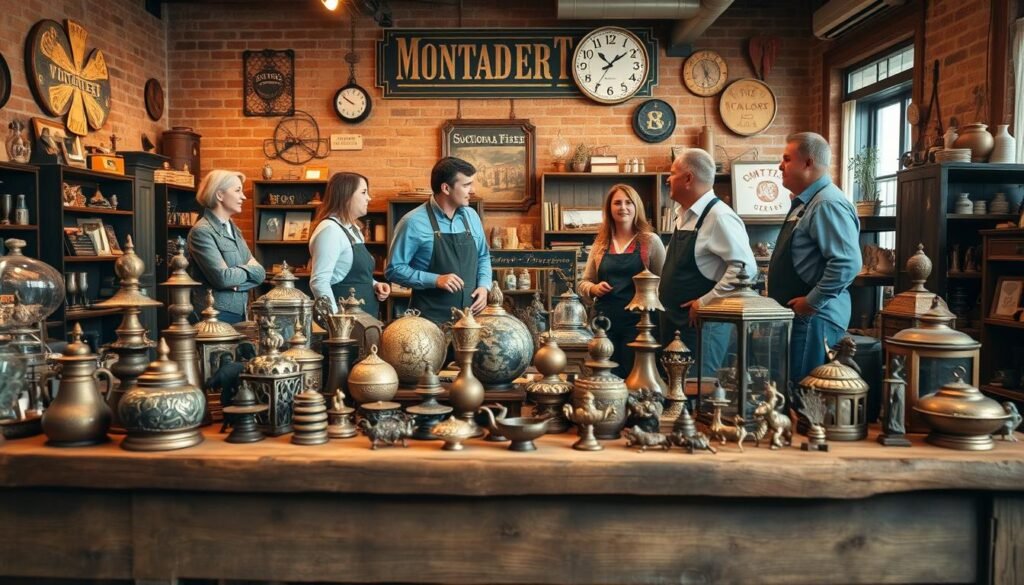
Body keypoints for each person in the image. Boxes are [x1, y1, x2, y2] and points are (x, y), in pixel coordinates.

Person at [769, 132, 860, 385]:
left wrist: (811, 302)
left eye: (787, 159)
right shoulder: (806, 203)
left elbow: (847, 263)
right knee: (792, 390)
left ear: (808, 163)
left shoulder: (826, 204)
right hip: (802, 317)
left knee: (806, 393)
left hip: (814, 318)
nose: (780, 166)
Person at [659, 148, 756, 375]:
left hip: (701, 326)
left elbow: (746, 269)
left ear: (688, 178)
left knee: (699, 389)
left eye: (672, 173)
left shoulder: (719, 217)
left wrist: (705, 301)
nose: (667, 179)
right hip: (676, 323)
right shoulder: (684, 214)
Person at [385, 157, 491, 324]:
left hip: (470, 322)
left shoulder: (472, 217)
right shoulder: (412, 222)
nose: (472, 190)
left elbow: (483, 256)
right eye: (466, 185)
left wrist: (484, 286)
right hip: (428, 323)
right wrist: (435, 280)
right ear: (446, 188)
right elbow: (394, 269)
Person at [578, 184, 665, 377]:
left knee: (636, 377)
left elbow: (663, 284)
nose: (623, 207)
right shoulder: (600, 244)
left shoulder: (650, 241)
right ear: (609, 208)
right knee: (605, 377)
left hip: (640, 324)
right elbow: (583, 282)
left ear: (637, 207)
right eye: (617, 202)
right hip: (604, 323)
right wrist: (593, 288)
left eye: (628, 202)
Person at [187, 169, 266, 324]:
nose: (243, 196)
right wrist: (247, 271)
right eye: (237, 190)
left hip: (240, 312)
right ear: (219, 195)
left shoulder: (233, 228)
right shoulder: (202, 231)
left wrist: (236, 281)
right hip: (214, 316)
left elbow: (260, 273)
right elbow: (222, 278)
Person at [309, 172, 390, 315]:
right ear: (346, 196)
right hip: (345, 326)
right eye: (364, 192)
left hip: (364, 319)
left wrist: (375, 284)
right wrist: (336, 323)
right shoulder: (330, 230)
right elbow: (319, 282)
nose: (369, 198)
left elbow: (350, 273)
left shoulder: (354, 230)